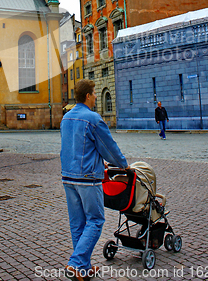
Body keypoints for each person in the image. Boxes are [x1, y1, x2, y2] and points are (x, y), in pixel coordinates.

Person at [60, 79, 128, 281]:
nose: (97, 96)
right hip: (88, 178)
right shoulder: (93, 118)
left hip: (68, 177)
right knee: (96, 220)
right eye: (95, 93)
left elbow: (74, 147)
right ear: (88, 96)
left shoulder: (66, 118)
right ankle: (76, 263)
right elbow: (109, 148)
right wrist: (123, 165)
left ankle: (83, 268)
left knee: (78, 223)